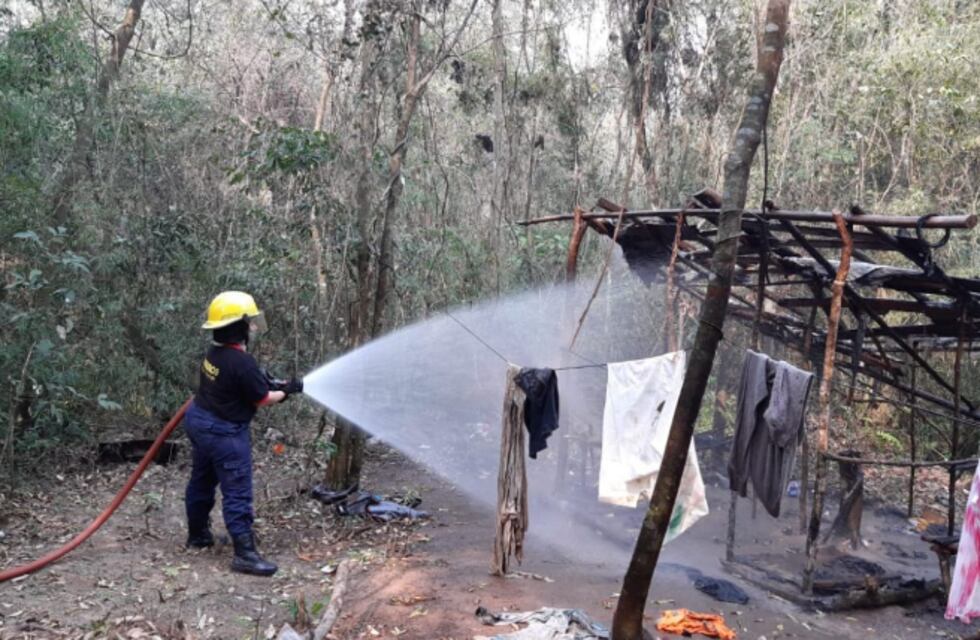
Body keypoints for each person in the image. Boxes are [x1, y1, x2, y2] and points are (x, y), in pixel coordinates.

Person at [183, 291, 303, 576]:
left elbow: (241, 383)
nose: (252, 327)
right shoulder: (242, 362)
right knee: (237, 490)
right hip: (223, 432)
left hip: (199, 421)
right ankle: (245, 555)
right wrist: (286, 391)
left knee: (202, 479)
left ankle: (198, 536)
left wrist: (270, 384)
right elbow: (262, 399)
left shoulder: (215, 354)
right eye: (248, 322)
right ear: (238, 327)